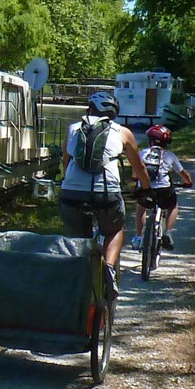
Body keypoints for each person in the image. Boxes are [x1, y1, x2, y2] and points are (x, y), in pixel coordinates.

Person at [59, 91, 152, 278]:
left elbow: (65, 162)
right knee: (114, 230)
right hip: (106, 194)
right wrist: (146, 189)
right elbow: (140, 167)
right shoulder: (123, 132)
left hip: (72, 193)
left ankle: (75, 276)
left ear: (90, 108)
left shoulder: (73, 129)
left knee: (76, 240)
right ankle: (108, 268)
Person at [132, 124, 193, 251]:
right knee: (173, 207)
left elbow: (135, 173)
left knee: (141, 208)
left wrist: (136, 179)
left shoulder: (143, 153)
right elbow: (183, 173)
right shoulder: (170, 156)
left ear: (150, 140)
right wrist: (188, 182)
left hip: (145, 189)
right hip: (164, 190)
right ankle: (168, 232)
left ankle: (138, 237)